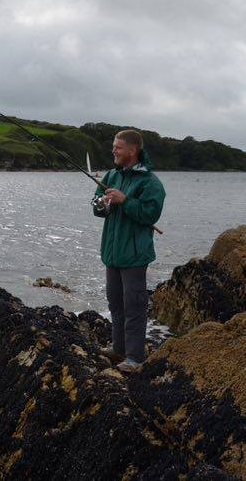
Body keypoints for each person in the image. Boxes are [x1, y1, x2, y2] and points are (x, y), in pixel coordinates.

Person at [91, 129, 165, 373]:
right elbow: (96, 207)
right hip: (112, 253)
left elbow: (150, 214)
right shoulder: (112, 175)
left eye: (118, 147)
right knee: (115, 302)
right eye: (114, 146)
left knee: (134, 306)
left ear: (132, 150)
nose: (113, 151)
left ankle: (135, 357)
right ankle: (119, 348)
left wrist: (125, 201)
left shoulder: (150, 182)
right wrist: (101, 204)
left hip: (134, 255)